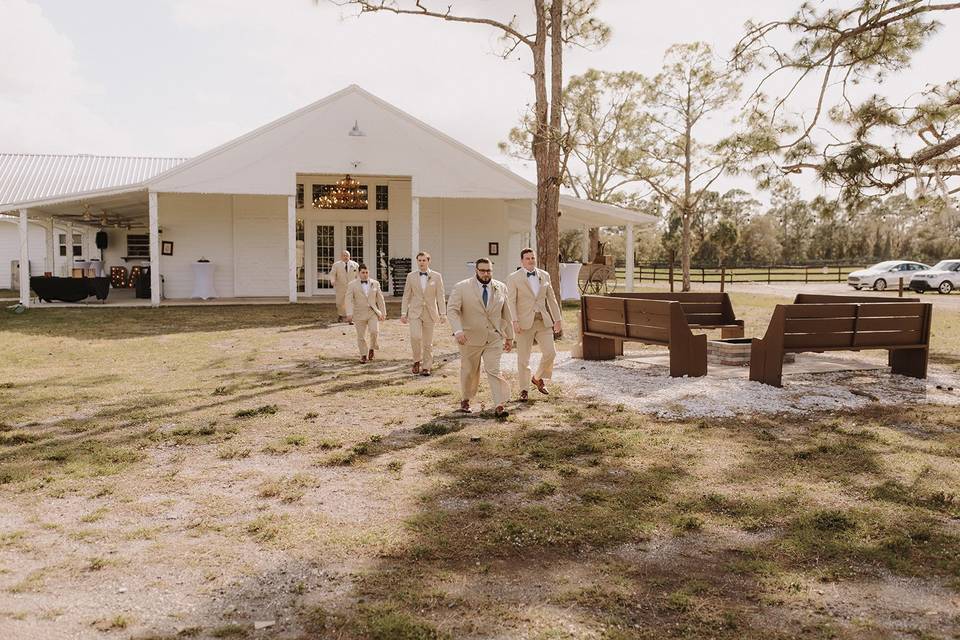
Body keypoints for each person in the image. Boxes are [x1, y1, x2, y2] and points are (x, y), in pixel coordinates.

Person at [447, 258, 514, 417]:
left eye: (488, 270)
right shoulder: (462, 287)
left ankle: (499, 405)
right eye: (482, 270)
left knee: (494, 370)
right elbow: (452, 310)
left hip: (493, 337)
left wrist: (510, 337)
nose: (486, 274)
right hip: (469, 338)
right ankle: (466, 399)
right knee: (469, 371)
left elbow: (507, 313)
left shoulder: (501, 287)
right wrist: (458, 331)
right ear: (476, 271)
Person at [507, 248, 563, 401]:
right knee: (523, 359)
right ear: (521, 261)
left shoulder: (544, 275)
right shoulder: (513, 278)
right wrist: (514, 321)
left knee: (551, 353)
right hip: (523, 323)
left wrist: (557, 319)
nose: (531, 260)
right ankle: (524, 390)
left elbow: (551, 299)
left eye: (533, 258)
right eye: (527, 258)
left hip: (543, 321)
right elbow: (510, 301)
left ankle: (537, 377)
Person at [400, 251, 446, 376]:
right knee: (415, 337)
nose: (421, 262)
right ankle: (416, 360)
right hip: (415, 312)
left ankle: (426, 366)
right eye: (419, 260)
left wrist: (443, 313)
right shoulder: (411, 276)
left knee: (427, 342)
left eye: (424, 260)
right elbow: (406, 295)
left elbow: (440, 296)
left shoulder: (436, 276)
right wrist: (404, 312)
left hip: (430, 313)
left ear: (428, 261)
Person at [344, 264, 386, 363]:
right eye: (363, 272)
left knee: (374, 331)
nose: (365, 274)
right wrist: (349, 313)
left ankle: (372, 348)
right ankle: (363, 354)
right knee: (361, 336)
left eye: (367, 272)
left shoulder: (375, 283)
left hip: (372, 312)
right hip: (359, 313)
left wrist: (383, 312)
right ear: (359, 273)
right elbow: (348, 300)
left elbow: (380, 299)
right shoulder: (352, 285)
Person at [329, 250, 359, 322]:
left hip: (352, 287)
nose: (345, 257)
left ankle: (351, 317)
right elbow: (332, 274)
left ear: (349, 256)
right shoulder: (336, 265)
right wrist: (332, 281)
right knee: (340, 302)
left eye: (347, 255)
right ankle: (341, 315)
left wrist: (359, 283)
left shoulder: (355, 265)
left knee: (352, 302)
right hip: (340, 286)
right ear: (341, 256)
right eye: (344, 255)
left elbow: (358, 275)